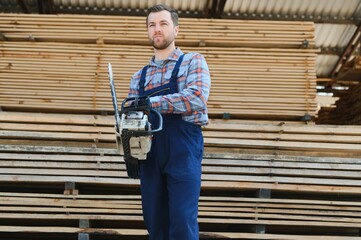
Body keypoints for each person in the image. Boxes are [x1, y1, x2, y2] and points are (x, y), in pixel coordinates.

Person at [127, 3, 211, 240]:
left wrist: (150, 103)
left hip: (182, 148)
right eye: (152, 25)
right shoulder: (138, 77)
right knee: (154, 220)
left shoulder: (192, 61)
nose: (157, 29)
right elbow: (132, 117)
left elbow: (196, 98)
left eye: (163, 24)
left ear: (176, 30)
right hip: (149, 151)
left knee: (182, 220)